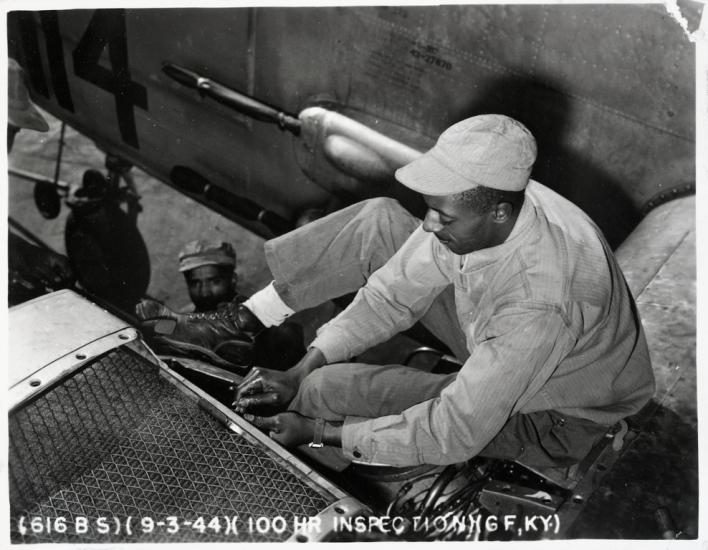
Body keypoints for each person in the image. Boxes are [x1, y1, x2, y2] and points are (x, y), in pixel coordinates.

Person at [140, 115, 655, 471]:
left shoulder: (542, 303)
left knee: (323, 397)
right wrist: (300, 366)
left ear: (497, 211)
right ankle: (240, 322)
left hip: (557, 418)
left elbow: (453, 432)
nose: (428, 225)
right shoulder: (506, 196)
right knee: (378, 221)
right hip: (510, 338)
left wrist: (317, 431)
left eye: (442, 215)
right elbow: (392, 295)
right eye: (430, 207)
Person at [136, 239, 305, 370]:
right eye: (196, 283)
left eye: (214, 281)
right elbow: (169, 330)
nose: (204, 292)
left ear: (232, 280)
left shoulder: (269, 325)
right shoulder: (184, 323)